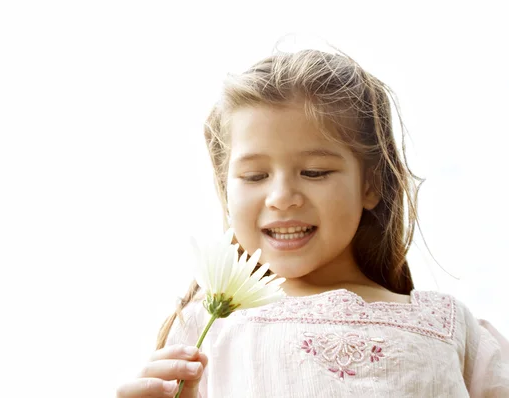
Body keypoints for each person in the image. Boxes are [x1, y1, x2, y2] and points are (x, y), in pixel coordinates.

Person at [116, 48, 509, 397]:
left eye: (316, 172)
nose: (282, 196)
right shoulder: (204, 330)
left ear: (369, 184)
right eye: (255, 176)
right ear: (225, 187)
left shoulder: (451, 330)